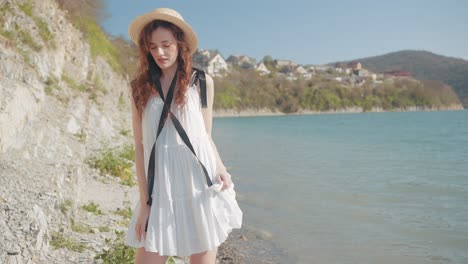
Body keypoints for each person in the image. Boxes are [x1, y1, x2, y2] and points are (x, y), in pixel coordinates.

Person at [124, 7, 243, 264]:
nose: (160, 53)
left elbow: (205, 136)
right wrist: (145, 203)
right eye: (153, 47)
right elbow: (140, 147)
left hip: (199, 182)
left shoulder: (201, 82)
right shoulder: (139, 88)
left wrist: (220, 168)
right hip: (161, 184)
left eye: (166, 44)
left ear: (180, 43)